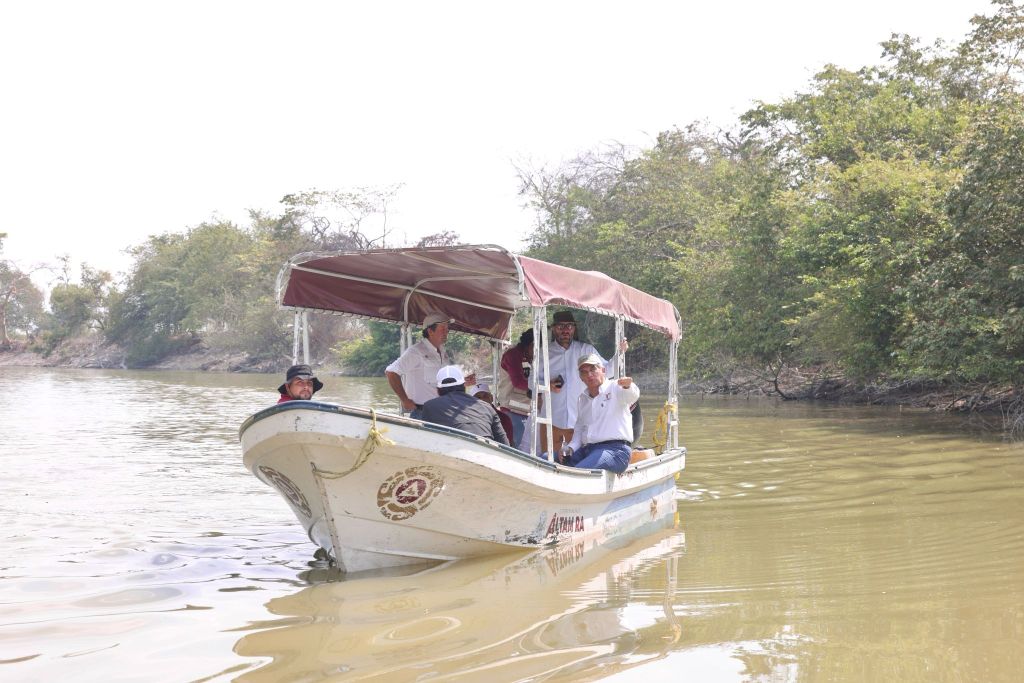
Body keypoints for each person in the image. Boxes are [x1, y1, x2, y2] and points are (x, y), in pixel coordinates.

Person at [540, 310, 626, 451]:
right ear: (554, 329)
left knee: (577, 458)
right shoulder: (543, 352)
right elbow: (531, 382)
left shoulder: (586, 350)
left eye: (569, 326)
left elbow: (608, 371)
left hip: (579, 421)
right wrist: (547, 385)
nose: (565, 330)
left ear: (574, 329)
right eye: (560, 326)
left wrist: (621, 353)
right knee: (548, 458)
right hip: (551, 419)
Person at [385, 312, 474, 419]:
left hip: (443, 411)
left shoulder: (443, 351)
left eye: (447, 329)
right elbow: (391, 372)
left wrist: (463, 382)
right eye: (442, 329)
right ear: (430, 331)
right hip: (422, 413)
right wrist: (404, 400)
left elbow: (441, 384)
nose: (446, 332)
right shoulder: (416, 351)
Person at [560, 353, 639, 473]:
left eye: (593, 369)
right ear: (581, 378)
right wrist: (570, 448)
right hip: (588, 450)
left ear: (603, 370)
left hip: (616, 450)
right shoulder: (582, 399)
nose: (589, 375)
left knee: (578, 472)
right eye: (584, 372)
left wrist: (628, 386)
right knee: (547, 458)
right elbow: (579, 430)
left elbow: (632, 396)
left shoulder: (615, 387)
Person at [420, 366, 510, 444]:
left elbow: (426, 442)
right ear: (463, 386)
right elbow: (504, 445)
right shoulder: (488, 408)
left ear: (438, 390)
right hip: (485, 453)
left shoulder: (429, 406)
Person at [497, 328, 533, 447]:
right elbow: (518, 381)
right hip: (512, 410)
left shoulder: (529, 357)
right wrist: (543, 386)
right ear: (531, 345)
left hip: (525, 410)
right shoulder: (513, 355)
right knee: (516, 448)